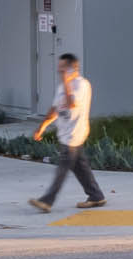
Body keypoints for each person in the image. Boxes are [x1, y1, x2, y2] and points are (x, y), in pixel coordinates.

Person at [28, 51, 104, 212]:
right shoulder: (63, 86)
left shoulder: (82, 85)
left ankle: (47, 201)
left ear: (72, 68)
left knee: (63, 167)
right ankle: (96, 195)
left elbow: (72, 104)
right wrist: (42, 127)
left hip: (75, 133)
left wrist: (66, 81)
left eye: (63, 69)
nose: (59, 71)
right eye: (59, 69)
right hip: (65, 133)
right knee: (79, 166)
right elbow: (55, 108)